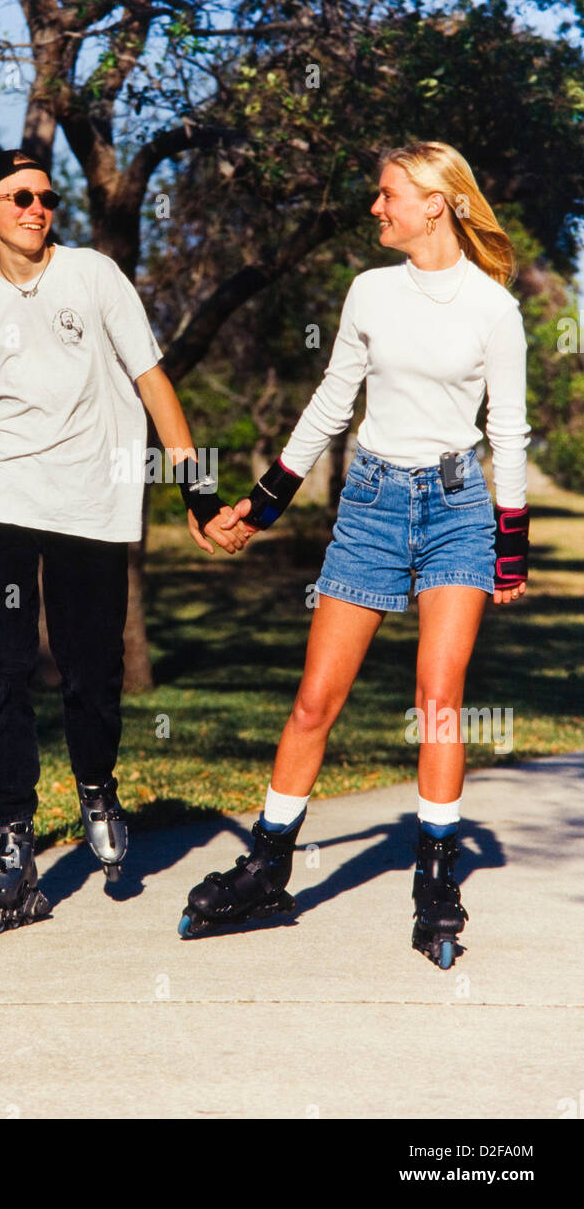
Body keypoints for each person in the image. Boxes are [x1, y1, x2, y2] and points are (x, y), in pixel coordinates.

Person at [179, 141, 530, 969]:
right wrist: (262, 505)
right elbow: (332, 401)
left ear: (437, 202)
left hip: (456, 509)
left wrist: (508, 550)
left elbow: (507, 430)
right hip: (371, 504)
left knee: (437, 697)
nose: (376, 208)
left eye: (388, 196)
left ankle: (435, 885)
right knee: (314, 699)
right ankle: (268, 869)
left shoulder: (493, 308)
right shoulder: (370, 290)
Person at [0, 149, 245, 938]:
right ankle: (12, 841)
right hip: (7, 500)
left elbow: (154, 380)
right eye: (18, 196)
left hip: (95, 502)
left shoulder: (93, 276)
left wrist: (193, 486)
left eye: (46, 195)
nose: (36, 206)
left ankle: (95, 785)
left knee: (91, 674)